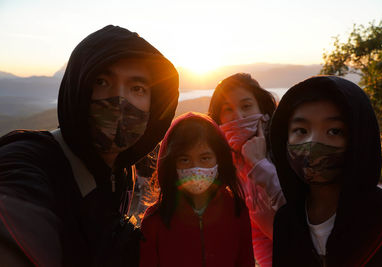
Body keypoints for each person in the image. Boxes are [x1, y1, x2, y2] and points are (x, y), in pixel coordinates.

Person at [0, 25, 179, 266]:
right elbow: (16, 214)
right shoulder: (29, 161)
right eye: (102, 81)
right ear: (78, 88)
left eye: (137, 88)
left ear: (153, 105)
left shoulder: (123, 171)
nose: (119, 101)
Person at [269, 76, 382, 266]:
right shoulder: (286, 223)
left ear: (359, 138)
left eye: (334, 131)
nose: (312, 143)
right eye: (301, 130)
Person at [139, 112, 254, 267]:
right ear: (172, 164)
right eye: (185, 160)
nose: (195, 168)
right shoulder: (155, 220)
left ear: (219, 159)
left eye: (205, 158)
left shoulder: (237, 211)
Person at [208, 73, 285, 266]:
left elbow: (302, 215)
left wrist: (260, 164)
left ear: (262, 109)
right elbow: (258, 233)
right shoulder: (232, 168)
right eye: (228, 109)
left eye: (246, 106)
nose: (239, 116)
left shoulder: (286, 148)